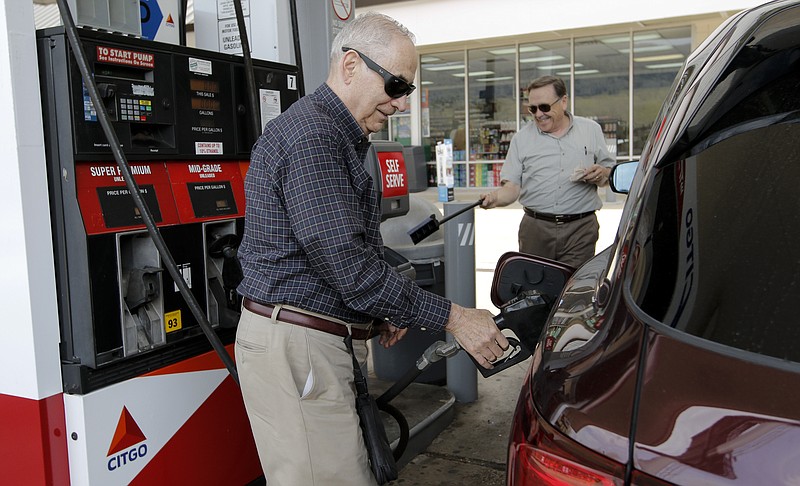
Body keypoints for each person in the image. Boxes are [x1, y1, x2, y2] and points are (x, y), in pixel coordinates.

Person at [234, 12, 508, 486]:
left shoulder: (335, 135)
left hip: (318, 339)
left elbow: (342, 255)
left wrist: (380, 312)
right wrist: (455, 318)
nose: (401, 103)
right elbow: (351, 269)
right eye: (397, 85)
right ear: (350, 66)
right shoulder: (314, 138)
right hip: (299, 346)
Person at [480, 76, 616, 268]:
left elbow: (610, 174)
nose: (538, 114)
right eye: (532, 109)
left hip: (580, 229)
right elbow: (512, 187)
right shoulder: (521, 139)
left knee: (572, 291)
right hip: (535, 230)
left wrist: (602, 173)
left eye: (544, 107)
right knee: (534, 290)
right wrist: (494, 198)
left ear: (564, 101)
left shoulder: (591, 130)